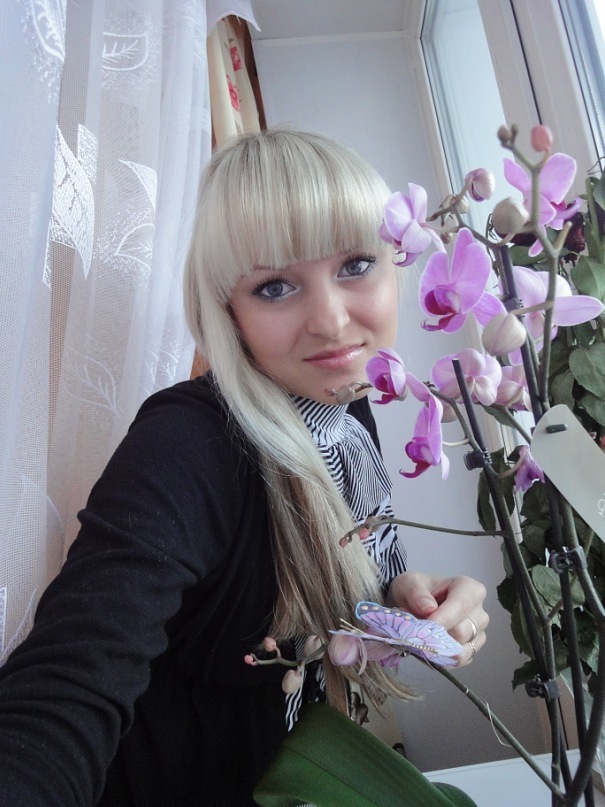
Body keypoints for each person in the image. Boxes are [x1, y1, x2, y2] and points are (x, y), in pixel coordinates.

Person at [0, 127, 488, 806]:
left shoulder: (347, 402)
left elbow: (347, 549)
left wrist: (406, 593)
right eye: (275, 286)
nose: (330, 321)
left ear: (396, 263)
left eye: (355, 265)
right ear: (227, 311)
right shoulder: (188, 446)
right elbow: (67, 688)